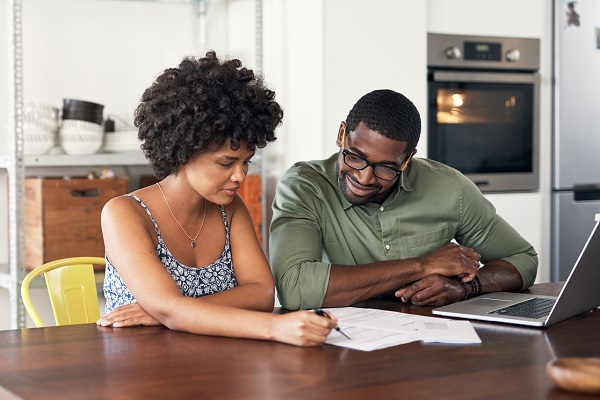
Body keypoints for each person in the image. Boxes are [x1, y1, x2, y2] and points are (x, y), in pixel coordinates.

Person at [96, 51, 337, 346]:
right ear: (184, 151)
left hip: (214, 363)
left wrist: (168, 312)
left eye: (246, 161)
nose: (240, 176)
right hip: (142, 372)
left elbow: (261, 293)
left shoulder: (230, 209)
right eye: (226, 162)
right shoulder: (124, 213)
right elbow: (170, 308)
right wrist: (276, 328)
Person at [269, 89, 538, 310]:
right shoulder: (305, 187)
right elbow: (295, 288)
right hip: (341, 347)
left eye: (386, 168)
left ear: (408, 159)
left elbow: (522, 259)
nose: (364, 178)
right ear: (342, 135)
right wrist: (422, 266)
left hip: (429, 346)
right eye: (355, 156)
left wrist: (463, 288)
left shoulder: (450, 188)